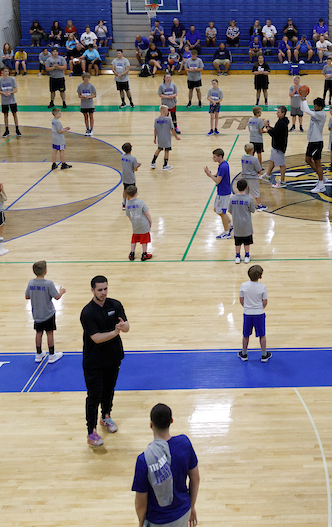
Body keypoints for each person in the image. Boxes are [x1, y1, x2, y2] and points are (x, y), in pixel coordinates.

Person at [131, 403, 200, 527]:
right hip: (183, 513)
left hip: (157, 520)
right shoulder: (185, 443)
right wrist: (192, 506)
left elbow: (141, 501)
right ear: (171, 421)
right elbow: (195, 479)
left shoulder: (143, 459)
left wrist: (141, 522)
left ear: (151, 425)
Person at [81, 275, 129, 447]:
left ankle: (106, 417)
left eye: (105, 289)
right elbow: (96, 338)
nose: (103, 293)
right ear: (92, 290)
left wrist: (124, 327)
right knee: (94, 396)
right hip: (94, 362)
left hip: (113, 357)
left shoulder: (115, 305)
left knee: (109, 389)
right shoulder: (87, 312)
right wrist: (115, 333)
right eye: (100, 290)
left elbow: (127, 326)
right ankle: (91, 432)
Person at [237, 261, 268, 357]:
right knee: (262, 335)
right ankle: (264, 355)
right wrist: (259, 308)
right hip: (259, 313)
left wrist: (247, 307)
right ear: (260, 276)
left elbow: (241, 300)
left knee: (246, 335)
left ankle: (244, 353)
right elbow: (265, 302)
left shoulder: (243, 285)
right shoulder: (262, 287)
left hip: (247, 313)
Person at [205, 148, 233, 239]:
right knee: (216, 209)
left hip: (224, 192)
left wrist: (210, 176)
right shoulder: (223, 164)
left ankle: (226, 232)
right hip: (221, 191)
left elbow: (217, 180)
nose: (213, 158)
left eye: (214, 157)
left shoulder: (223, 167)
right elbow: (217, 176)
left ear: (220, 156)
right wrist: (210, 174)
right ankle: (231, 225)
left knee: (222, 212)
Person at [305, 97, 328, 192]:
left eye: (316, 105)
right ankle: (322, 177)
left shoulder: (321, 114)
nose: (314, 106)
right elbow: (305, 109)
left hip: (317, 142)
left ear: (320, 107)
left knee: (318, 162)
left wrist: (303, 98)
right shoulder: (315, 112)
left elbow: (306, 110)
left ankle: (321, 184)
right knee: (307, 159)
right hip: (312, 141)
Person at [125, 184, 152, 261]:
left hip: (135, 223)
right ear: (136, 193)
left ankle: (132, 253)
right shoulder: (140, 202)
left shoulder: (128, 203)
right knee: (144, 239)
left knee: (134, 238)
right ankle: (144, 254)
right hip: (143, 223)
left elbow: (128, 215)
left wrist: (132, 221)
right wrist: (150, 221)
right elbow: (147, 213)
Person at [267, 106, 290, 187]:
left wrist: (268, 128)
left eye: (278, 112)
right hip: (275, 146)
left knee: (281, 164)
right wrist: (271, 128)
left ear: (283, 113)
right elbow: (277, 130)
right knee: (272, 160)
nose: (277, 113)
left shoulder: (282, 123)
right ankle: (267, 175)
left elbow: (275, 133)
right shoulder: (281, 121)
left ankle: (282, 182)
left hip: (279, 147)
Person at [0, 67, 21, 137]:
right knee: (5, 115)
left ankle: (17, 130)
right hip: (4, 101)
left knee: (14, 114)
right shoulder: (0, 81)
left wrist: (10, 92)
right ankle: (7, 130)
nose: (7, 72)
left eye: (8, 71)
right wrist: (4, 93)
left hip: (12, 100)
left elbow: (15, 89)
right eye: (5, 71)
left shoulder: (12, 79)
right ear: (2, 72)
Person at [151, 105, 179, 170]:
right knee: (167, 151)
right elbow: (172, 129)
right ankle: (165, 165)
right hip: (166, 138)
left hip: (160, 138)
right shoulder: (168, 119)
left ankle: (153, 162)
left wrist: (155, 138)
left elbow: (155, 129)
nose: (168, 111)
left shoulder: (156, 119)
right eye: (167, 110)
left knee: (159, 149)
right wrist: (176, 137)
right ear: (164, 111)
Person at [121, 142, 141, 209]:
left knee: (125, 190)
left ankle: (124, 203)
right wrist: (137, 166)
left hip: (124, 177)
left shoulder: (122, 156)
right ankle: (131, 203)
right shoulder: (133, 158)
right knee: (132, 191)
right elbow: (135, 169)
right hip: (131, 178)